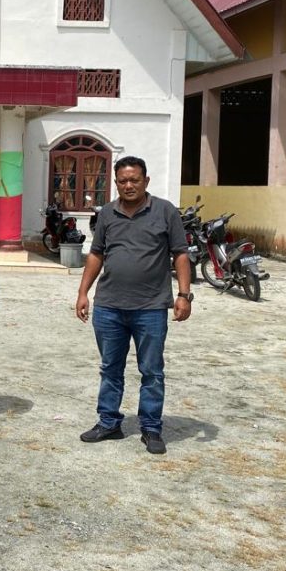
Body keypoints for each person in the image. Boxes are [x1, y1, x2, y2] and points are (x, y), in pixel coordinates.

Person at [74, 156, 191, 455]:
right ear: (115, 183)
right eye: (122, 181)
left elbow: (180, 254)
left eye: (134, 180)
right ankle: (109, 422)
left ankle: (151, 428)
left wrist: (184, 295)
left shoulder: (165, 211)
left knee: (151, 370)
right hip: (109, 306)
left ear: (146, 181)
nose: (128, 185)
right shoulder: (107, 215)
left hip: (151, 308)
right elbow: (96, 254)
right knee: (110, 368)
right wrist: (83, 292)